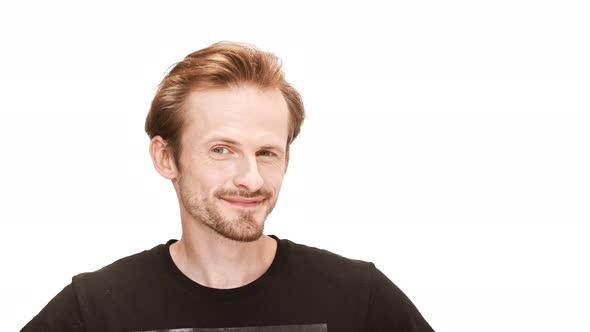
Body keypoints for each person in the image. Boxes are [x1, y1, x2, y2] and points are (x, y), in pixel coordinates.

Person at [22, 42, 434, 332]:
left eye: (267, 153)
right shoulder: (98, 309)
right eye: (222, 149)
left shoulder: (359, 299)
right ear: (166, 158)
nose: (251, 178)